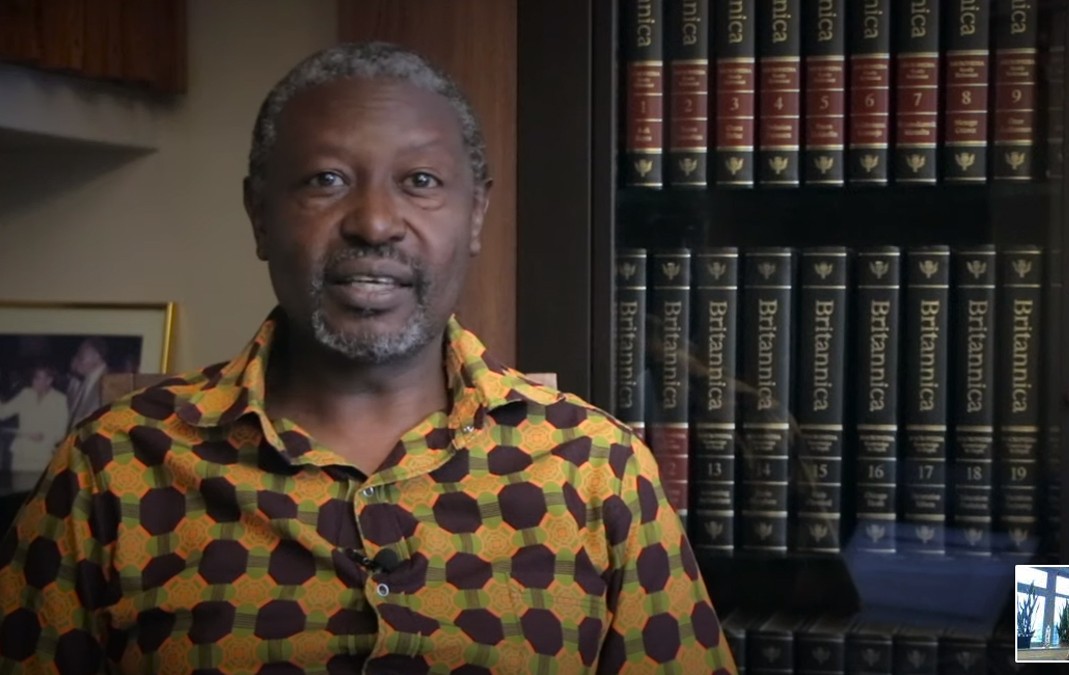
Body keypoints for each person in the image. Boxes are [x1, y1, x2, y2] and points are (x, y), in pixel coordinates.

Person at [0, 43, 735, 673]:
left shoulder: (596, 468)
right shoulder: (114, 466)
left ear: (475, 213)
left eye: (419, 182)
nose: (376, 222)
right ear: (259, 213)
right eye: (325, 180)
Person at [0, 364, 69, 473]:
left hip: (43, 456)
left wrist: (45, 437)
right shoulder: (25, 394)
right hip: (21, 454)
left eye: (38, 378)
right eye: (34, 378)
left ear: (49, 380)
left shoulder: (60, 400)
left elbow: (61, 431)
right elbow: (3, 413)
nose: (34, 381)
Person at [64, 336, 110, 430]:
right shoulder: (86, 380)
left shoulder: (111, 383)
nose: (77, 360)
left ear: (96, 356)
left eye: (81, 356)